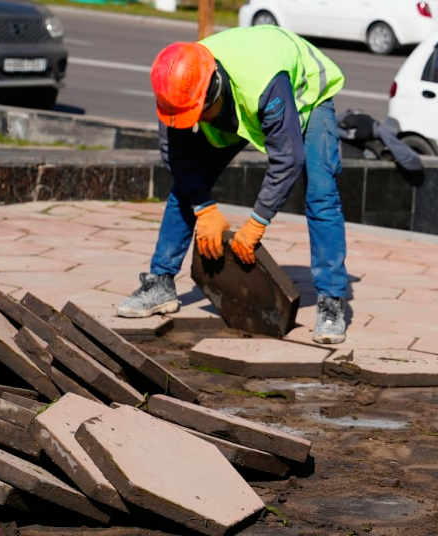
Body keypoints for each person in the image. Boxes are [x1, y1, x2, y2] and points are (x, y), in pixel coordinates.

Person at [116, 26, 351, 345]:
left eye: (199, 114)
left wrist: (257, 223)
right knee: (185, 189)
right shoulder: (178, 85)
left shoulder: (264, 83)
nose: (196, 121)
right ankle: (160, 282)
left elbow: (288, 158)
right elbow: (177, 156)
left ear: (214, 89)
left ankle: (331, 302)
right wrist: (203, 208)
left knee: (322, 195)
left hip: (306, 94)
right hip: (236, 101)